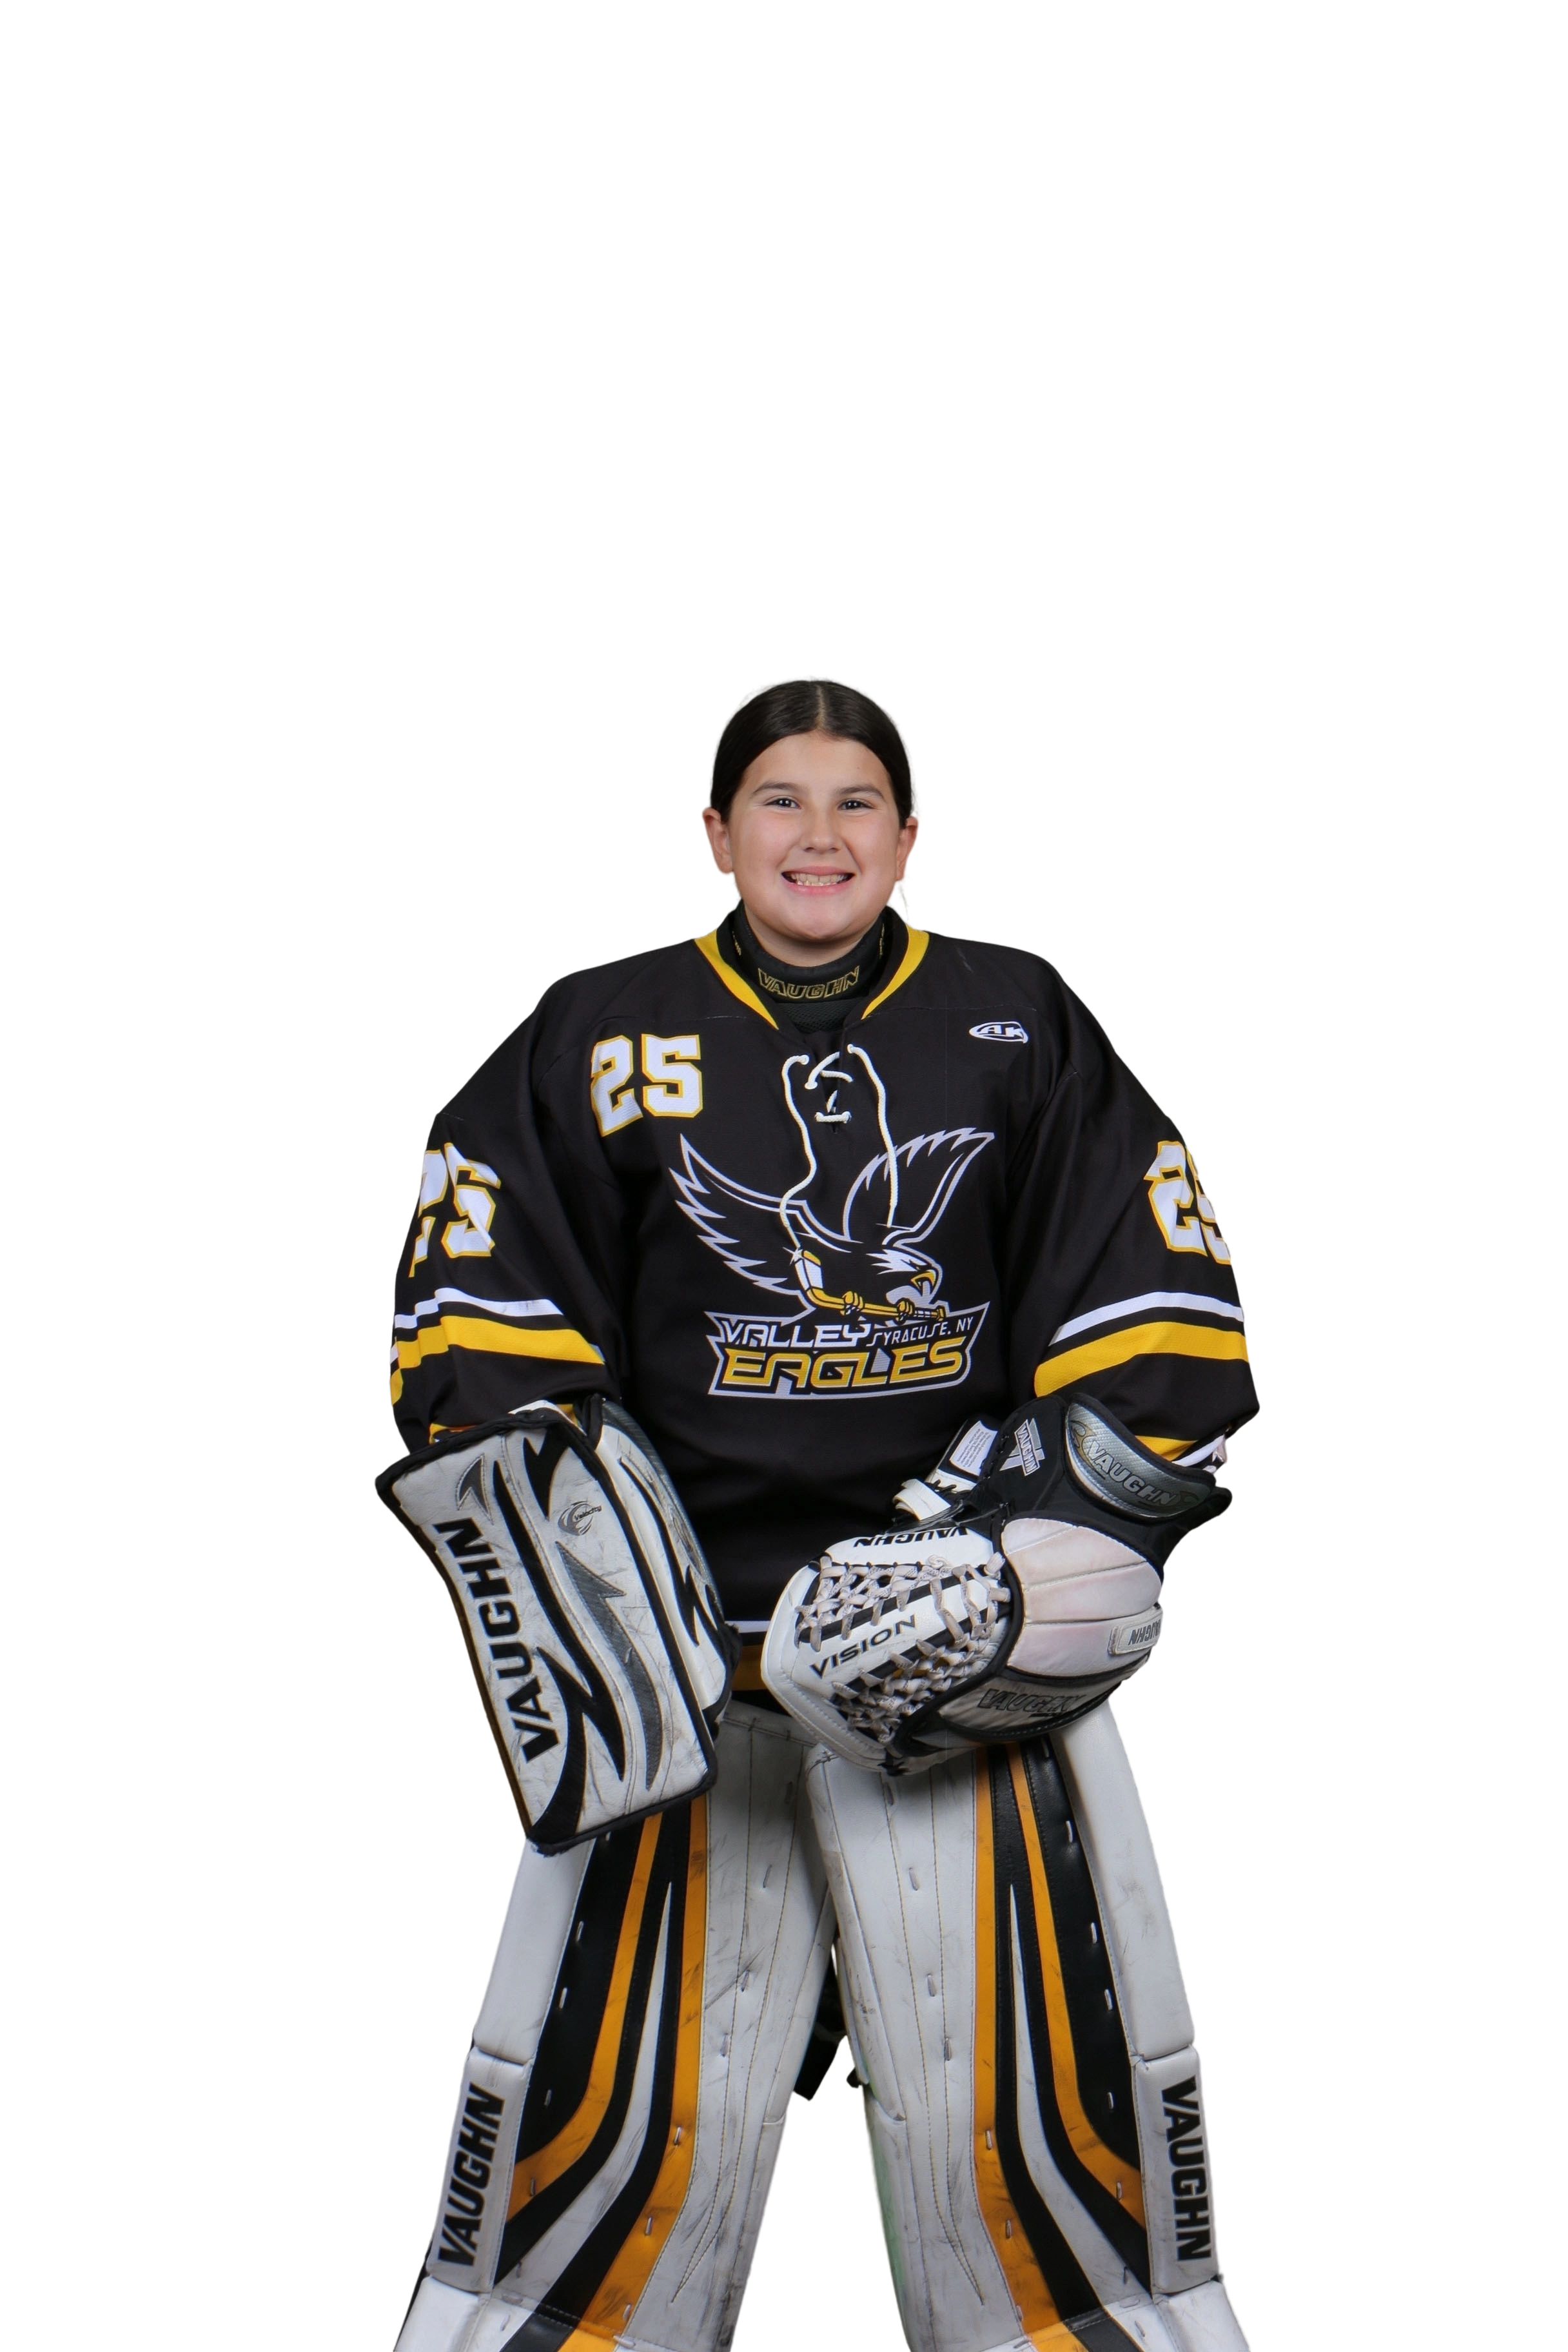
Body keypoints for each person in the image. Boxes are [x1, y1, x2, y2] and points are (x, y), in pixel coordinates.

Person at [378, 673, 1261, 2352]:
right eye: (781, 800)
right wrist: (576, 1558)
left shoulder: (1019, 1016)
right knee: (586, 2247)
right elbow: (479, 1319)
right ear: (717, 835)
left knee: (1043, 2235)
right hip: (684, 1689)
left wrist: (1024, 1558)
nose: (821, 835)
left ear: (909, 836)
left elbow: (1155, 1315)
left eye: (858, 802)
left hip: (964, 1689)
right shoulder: (597, 1032)